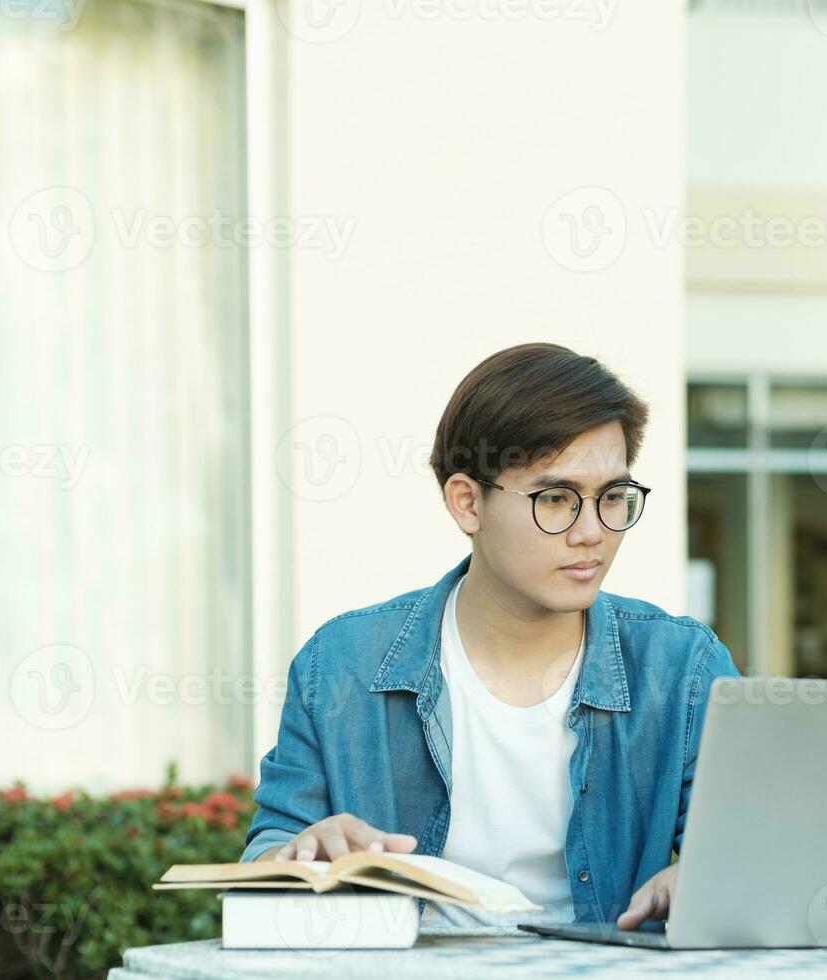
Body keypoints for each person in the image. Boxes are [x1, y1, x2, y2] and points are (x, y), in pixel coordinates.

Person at [241, 341, 740, 931]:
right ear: (467, 503)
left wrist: (709, 879)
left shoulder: (679, 668)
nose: (591, 532)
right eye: (555, 499)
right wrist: (297, 857)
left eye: (612, 497)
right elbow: (266, 856)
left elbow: (757, 842)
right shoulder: (343, 664)